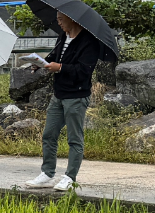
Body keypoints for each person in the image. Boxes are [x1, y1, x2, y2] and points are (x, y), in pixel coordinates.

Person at [23, 13, 102, 193]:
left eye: (61, 19)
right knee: (49, 134)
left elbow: (84, 71)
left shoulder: (89, 41)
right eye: (57, 18)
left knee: (74, 138)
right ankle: (47, 173)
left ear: (73, 18)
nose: (58, 22)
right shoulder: (62, 36)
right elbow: (54, 56)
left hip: (76, 95)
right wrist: (40, 63)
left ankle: (69, 177)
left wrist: (60, 68)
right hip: (58, 93)